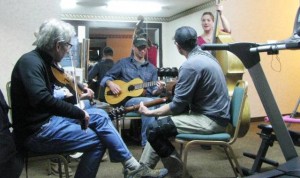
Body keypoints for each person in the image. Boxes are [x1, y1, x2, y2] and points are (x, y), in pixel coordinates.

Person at [10, 18, 168, 178]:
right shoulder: (30, 62)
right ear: (58, 45)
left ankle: (132, 167)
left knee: (101, 115)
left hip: (50, 121)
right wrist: (78, 113)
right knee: (98, 140)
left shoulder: (46, 61)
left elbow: (59, 85)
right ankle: (134, 168)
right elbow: (42, 99)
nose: (68, 51)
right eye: (67, 46)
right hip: (37, 131)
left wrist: (77, 90)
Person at [137, 26, 231, 177]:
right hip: (217, 115)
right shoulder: (208, 57)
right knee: (161, 121)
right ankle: (142, 169)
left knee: (154, 129)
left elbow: (176, 106)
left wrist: (149, 112)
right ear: (195, 41)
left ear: (178, 46)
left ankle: (179, 174)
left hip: (211, 120)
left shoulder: (190, 65)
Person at [100, 34, 165, 148]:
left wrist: (159, 89)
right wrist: (110, 83)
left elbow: (153, 91)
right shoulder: (123, 63)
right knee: (149, 103)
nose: (142, 50)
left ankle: (155, 138)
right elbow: (106, 77)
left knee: (159, 101)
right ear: (133, 48)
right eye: (139, 48)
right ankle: (148, 144)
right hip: (127, 100)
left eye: (144, 48)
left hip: (146, 98)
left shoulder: (152, 68)